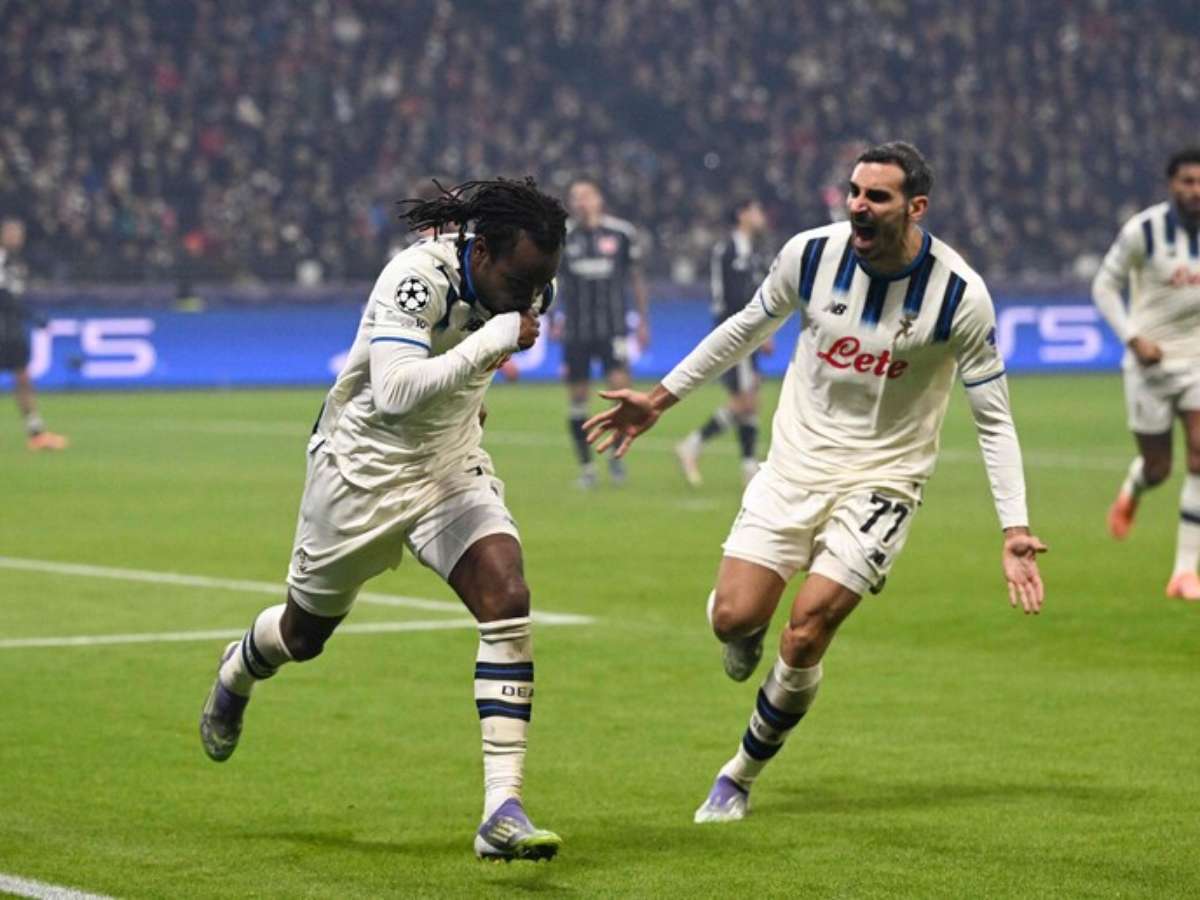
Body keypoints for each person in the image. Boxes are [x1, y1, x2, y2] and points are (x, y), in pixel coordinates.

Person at [585, 142, 1047, 823]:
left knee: (806, 632)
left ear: (916, 207)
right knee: (733, 618)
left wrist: (1014, 527)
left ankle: (739, 774)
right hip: (796, 464)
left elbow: (994, 419)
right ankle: (744, 629)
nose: (859, 205)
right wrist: (660, 399)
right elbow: (744, 329)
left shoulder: (959, 296)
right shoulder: (810, 255)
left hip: (884, 480)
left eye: (877, 196)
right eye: (854, 192)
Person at [199, 178, 567, 861]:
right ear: (480, 252)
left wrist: (473, 395)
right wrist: (491, 342)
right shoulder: (415, 278)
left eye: (542, 282)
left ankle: (502, 810)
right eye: (519, 281)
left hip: (448, 467)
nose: (530, 297)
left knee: (507, 595)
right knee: (304, 635)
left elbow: (474, 361)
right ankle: (238, 669)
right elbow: (395, 393)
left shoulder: (528, 286)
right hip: (358, 472)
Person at [1094, 148, 1200, 599]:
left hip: (1197, 359)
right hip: (1149, 365)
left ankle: (1184, 573)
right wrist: (1133, 339)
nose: (1195, 190)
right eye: (1187, 182)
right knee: (1159, 468)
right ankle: (1133, 490)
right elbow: (1104, 286)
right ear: (1172, 185)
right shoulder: (1144, 230)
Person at [554, 177, 650, 488]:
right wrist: (553, 316)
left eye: (586, 195)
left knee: (623, 396)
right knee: (578, 401)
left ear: (599, 199)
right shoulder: (563, 236)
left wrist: (643, 322)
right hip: (576, 332)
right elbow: (553, 280)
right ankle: (586, 469)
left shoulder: (622, 234)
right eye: (575, 197)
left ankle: (616, 458)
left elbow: (635, 278)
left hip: (613, 330)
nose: (580, 202)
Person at [676, 199, 771, 486]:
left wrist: (765, 332)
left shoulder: (755, 252)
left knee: (750, 400)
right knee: (745, 401)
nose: (761, 216)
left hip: (752, 334)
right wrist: (732, 335)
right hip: (736, 335)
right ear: (742, 215)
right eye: (756, 211)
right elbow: (721, 298)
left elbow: (760, 297)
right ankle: (695, 445)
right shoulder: (726, 250)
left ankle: (746, 465)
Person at [0, 218, 67, 451]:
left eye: (18, 233)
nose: (16, 237)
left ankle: (36, 432)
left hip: (12, 328)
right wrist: (30, 315)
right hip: (4, 327)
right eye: (11, 233)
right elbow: (3, 296)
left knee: (23, 378)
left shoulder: (17, 262)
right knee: (23, 378)